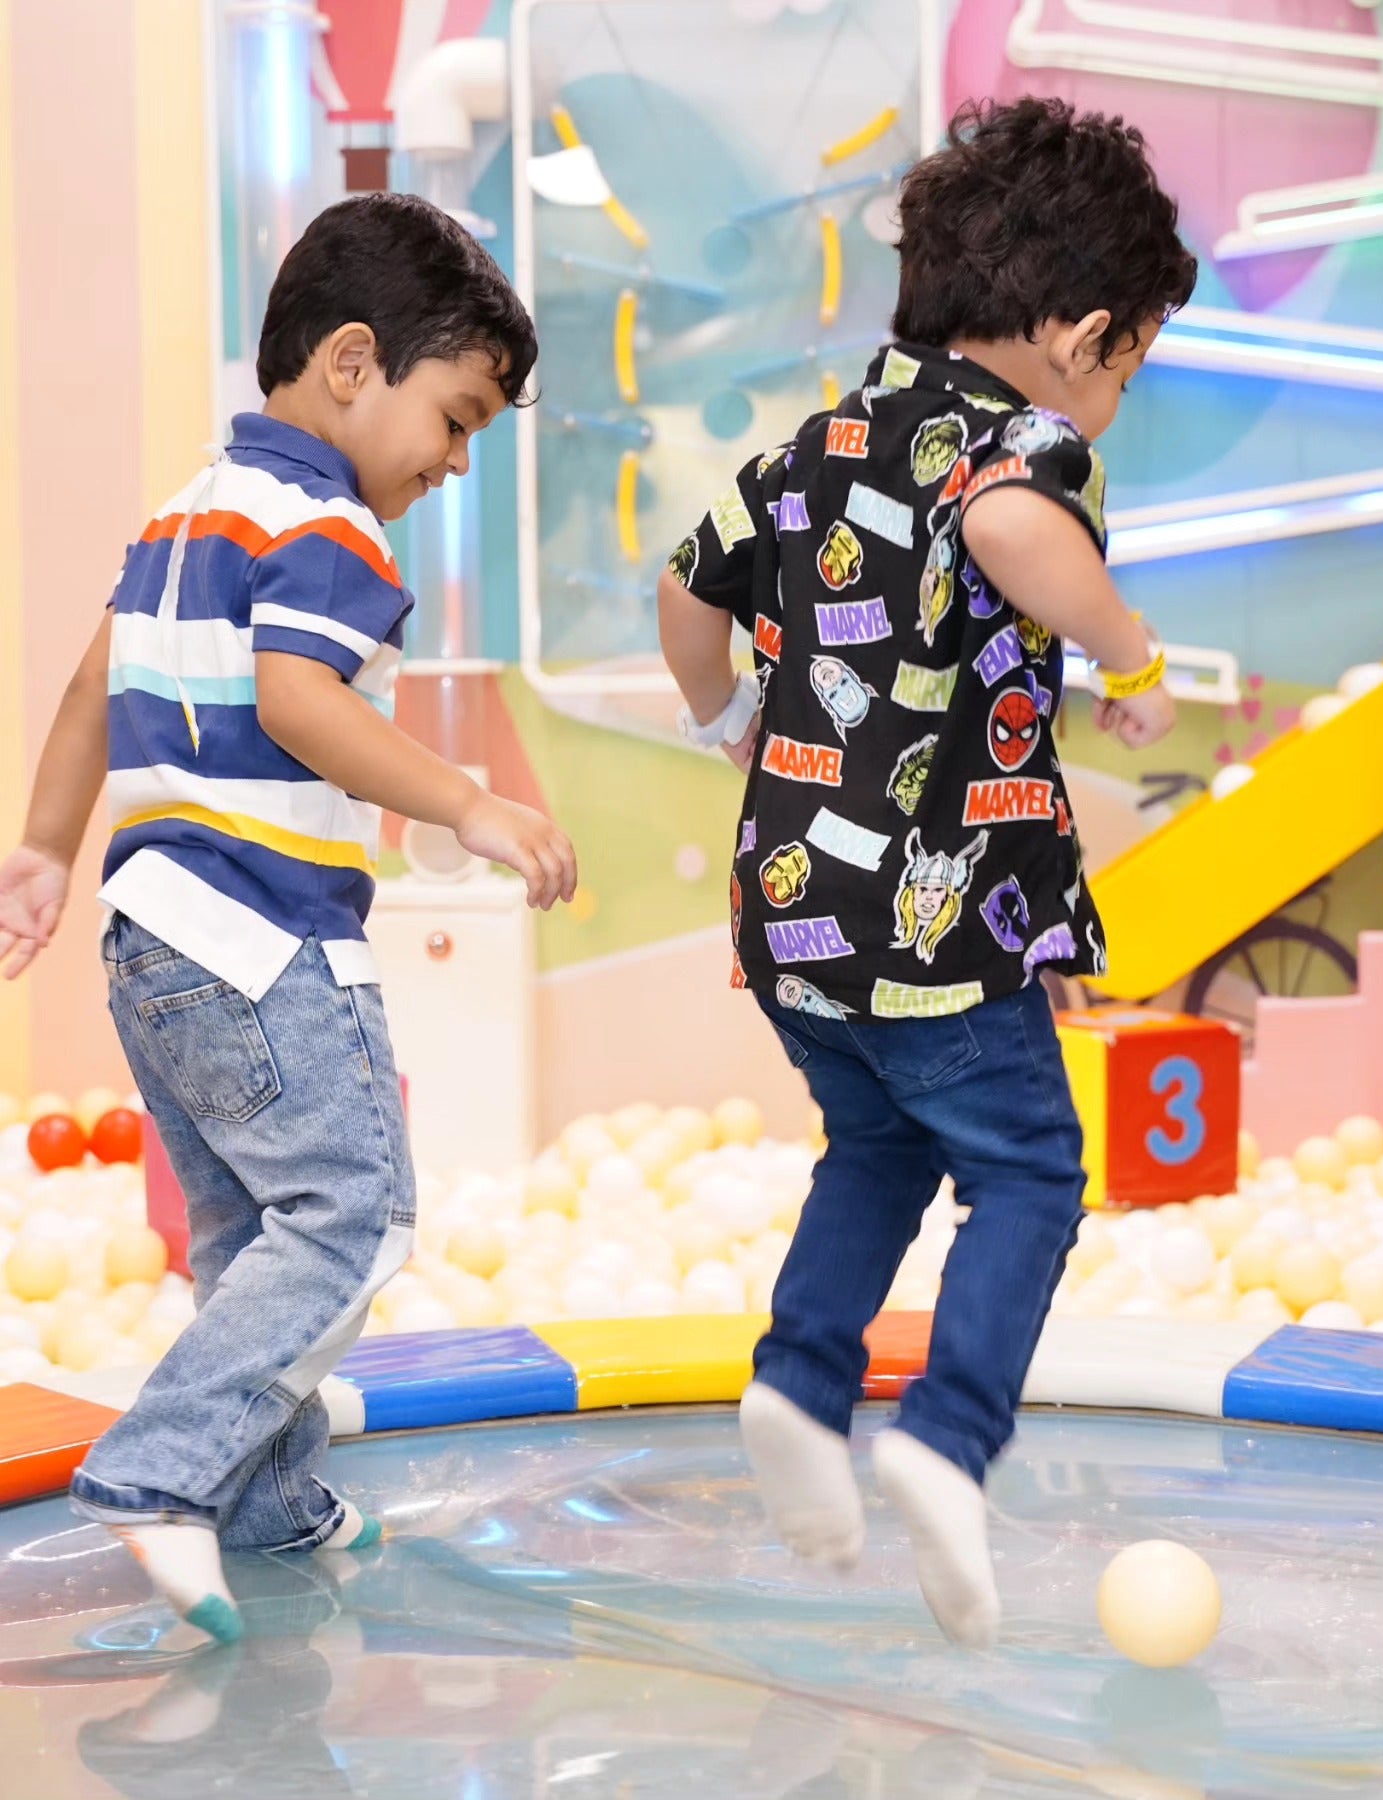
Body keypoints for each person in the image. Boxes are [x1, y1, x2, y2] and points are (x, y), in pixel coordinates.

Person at [0, 193, 577, 1643]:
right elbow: (296, 702)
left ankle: (269, 1497)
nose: (453, 461)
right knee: (355, 1213)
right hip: (266, 941)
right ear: (351, 364)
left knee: (249, 1231)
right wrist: (470, 804)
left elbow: (85, 692)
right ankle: (161, 1473)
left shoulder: (182, 517)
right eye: (453, 420)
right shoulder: (334, 537)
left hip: (149, 940)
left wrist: (43, 851)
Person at [658, 97, 1195, 1647]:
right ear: (1082, 333)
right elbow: (1020, 528)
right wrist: (1125, 645)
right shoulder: (1019, 446)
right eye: (1134, 361)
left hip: (793, 914)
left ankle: (800, 1382)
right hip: (934, 912)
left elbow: (689, 595)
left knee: (879, 1154)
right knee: (1028, 1169)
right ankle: (950, 1447)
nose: (1121, 393)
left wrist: (730, 720)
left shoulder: (810, 444)